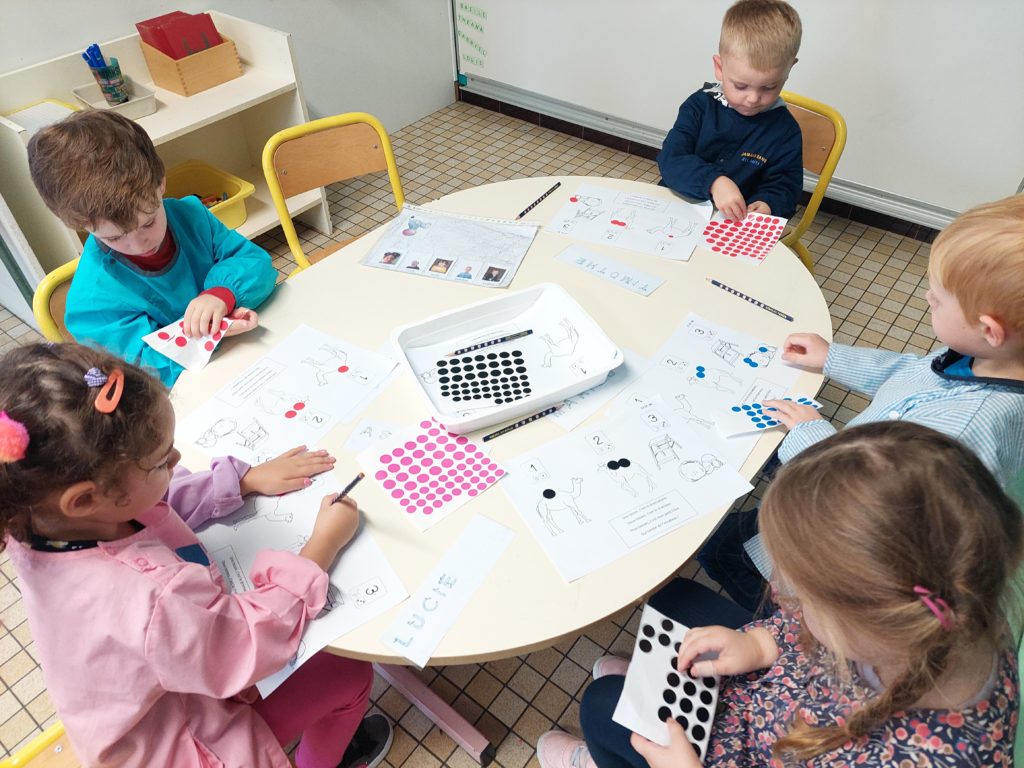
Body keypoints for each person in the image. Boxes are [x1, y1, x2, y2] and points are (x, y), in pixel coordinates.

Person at [538, 422, 1022, 767]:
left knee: (601, 707)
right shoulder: (951, 598)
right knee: (674, 601)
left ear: (861, 620)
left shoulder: (924, 756)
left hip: (756, 748)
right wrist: (760, 643)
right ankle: (652, 686)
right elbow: (803, 626)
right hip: (779, 694)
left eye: (800, 597)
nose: (777, 594)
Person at [0, 342, 393, 768]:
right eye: (160, 462)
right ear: (84, 500)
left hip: (147, 705)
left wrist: (241, 481)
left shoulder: (34, 516)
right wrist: (322, 547)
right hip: (186, 747)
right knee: (348, 674)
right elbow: (249, 643)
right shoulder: (150, 597)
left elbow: (150, 502)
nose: (177, 459)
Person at [699, 193, 1024, 610]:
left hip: (833, 553)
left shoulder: (965, 429)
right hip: (848, 478)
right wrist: (832, 357)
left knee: (720, 550)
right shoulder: (985, 357)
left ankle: (780, 622)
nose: (927, 297)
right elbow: (910, 373)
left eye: (938, 298)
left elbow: (869, 505)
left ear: (990, 330)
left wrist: (811, 436)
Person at [27, 110, 277, 387]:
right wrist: (210, 333)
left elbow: (255, 262)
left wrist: (222, 293)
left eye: (148, 223)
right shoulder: (91, 302)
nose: (140, 245)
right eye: (114, 238)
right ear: (79, 225)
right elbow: (143, 373)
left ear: (161, 184)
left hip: (244, 360)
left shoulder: (191, 215)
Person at [657, 0, 803, 220]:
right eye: (741, 86)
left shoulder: (785, 131)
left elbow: (786, 187)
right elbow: (671, 159)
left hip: (734, 223)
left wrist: (768, 203)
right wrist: (713, 182)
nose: (753, 99)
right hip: (677, 206)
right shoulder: (699, 106)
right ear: (720, 67)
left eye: (769, 87)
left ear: (789, 70)